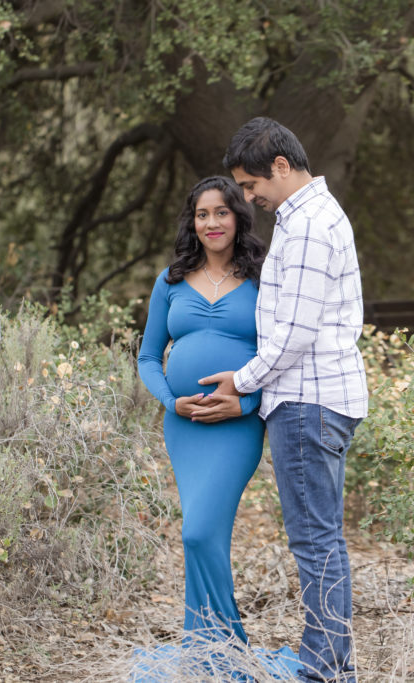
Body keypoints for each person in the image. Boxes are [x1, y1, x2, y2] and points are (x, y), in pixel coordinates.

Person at [197, 117, 368, 683]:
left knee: (315, 541)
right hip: (317, 399)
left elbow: (294, 332)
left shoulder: (312, 225)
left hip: (307, 401)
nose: (249, 199)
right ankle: (332, 663)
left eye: (250, 187)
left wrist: (242, 381)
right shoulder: (310, 218)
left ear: (280, 166)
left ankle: (322, 669)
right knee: (324, 538)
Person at [136, 176, 279, 672]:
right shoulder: (170, 281)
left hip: (237, 428)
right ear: (192, 222)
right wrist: (171, 402)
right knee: (204, 536)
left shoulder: (264, 280)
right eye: (202, 214)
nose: (211, 223)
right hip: (185, 428)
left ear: (239, 216)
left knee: (197, 532)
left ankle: (227, 653)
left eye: (221, 212)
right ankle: (207, 655)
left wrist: (243, 405)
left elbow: (280, 359)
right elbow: (148, 357)